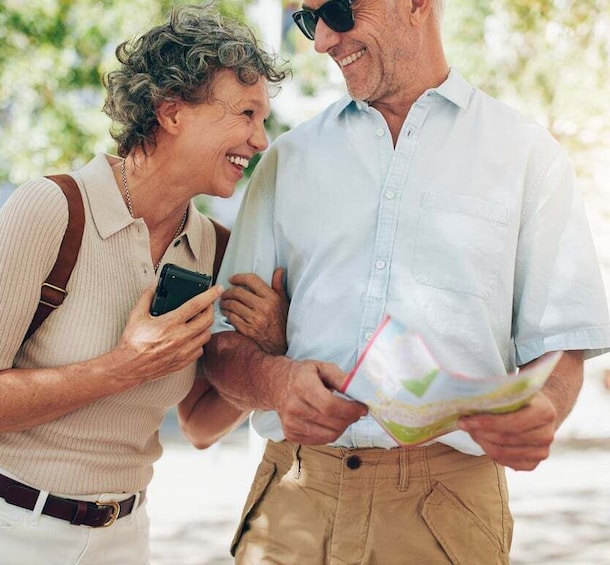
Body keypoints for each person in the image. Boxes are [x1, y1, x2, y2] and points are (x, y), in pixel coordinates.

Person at [204, 0, 610, 563]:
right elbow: (221, 346)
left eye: (337, 11)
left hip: (446, 511)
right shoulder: (287, 160)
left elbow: (562, 348)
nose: (321, 40)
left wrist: (543, 410)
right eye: (306, 20)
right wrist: (274, 382)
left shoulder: (528, 157)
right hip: (292, 500)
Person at [0, 6, 288, 564]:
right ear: (172, 111)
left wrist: (270, 348)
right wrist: (122, 367)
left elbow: (201, 425)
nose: (259, 140)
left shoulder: (214, 249)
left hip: (119, 537)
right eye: (246, 114)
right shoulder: (52, 209)